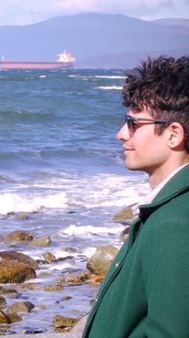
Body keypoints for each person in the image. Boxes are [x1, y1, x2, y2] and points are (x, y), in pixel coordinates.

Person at [83, 55, 189, 337]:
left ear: (173, 134)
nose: (121, 134)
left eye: (133, 124)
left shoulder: (174, 223)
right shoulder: (169, 208)